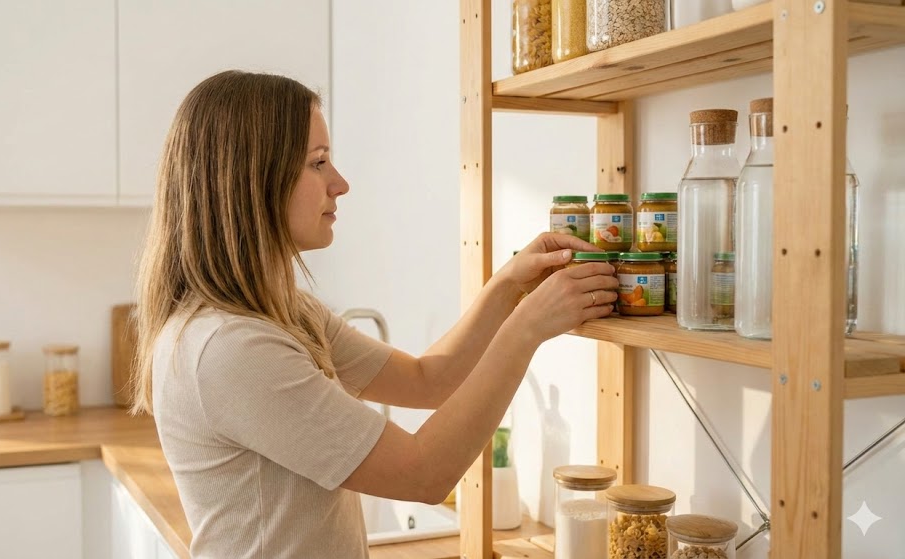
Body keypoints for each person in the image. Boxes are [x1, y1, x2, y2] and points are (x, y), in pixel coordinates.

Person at [132, 70, 618, 559]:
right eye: (318, 163)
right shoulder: (231, 350)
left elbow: (429, 380)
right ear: (249, 180)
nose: (340, 184)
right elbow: (424, 473)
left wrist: (507, 287)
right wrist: (527, 327)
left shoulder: (283, 313)